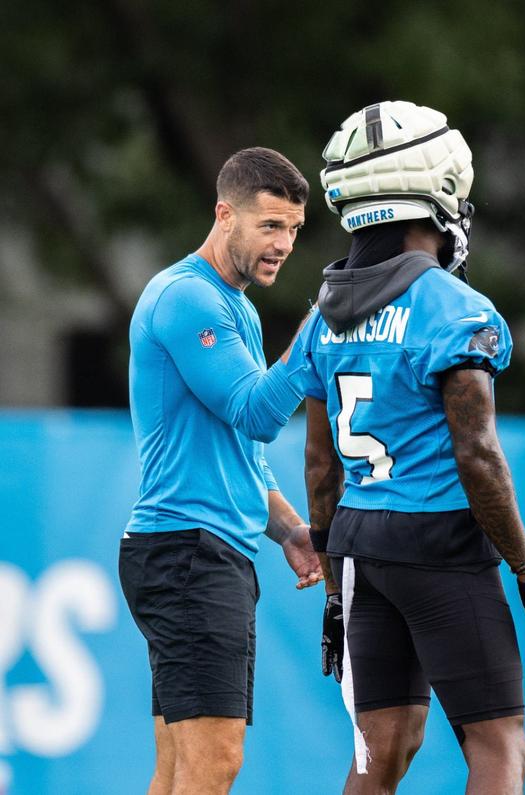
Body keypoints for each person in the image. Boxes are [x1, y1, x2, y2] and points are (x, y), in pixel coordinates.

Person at [298, 101, 525, 795]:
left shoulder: (321, 317)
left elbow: (321, 466)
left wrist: (332, 586)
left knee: (378, 750)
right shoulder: (456, 309)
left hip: (358, 543)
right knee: (501, 745)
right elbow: (477, 455)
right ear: (436, 195)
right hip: (437, 538)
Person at [119, 147, 322, 795]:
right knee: (214, 764)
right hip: (188, 556)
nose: (284, 243)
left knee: (180, 768)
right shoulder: (188, 299)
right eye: (269, 226)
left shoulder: (236, 306)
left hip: (190, 552)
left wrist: (290, 530)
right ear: (224, 214)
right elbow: (257, 413)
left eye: (293, 228)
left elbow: (234, 453)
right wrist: (321, 326)